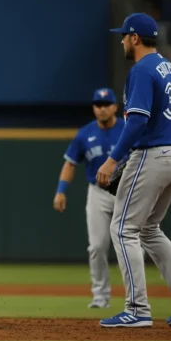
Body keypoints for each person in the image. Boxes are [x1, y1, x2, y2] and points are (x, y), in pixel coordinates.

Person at [96, 13, 171, 328]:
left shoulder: (142, 69)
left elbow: (137, 121)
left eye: (124, 35)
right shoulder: (168, 67)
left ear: (134, 38)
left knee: (122, 229)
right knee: (148, 229)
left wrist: (112, 159)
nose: (121, 40)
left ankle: (137, 310)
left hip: (152, 154)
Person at [53, 88, 124, 309]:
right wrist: (61, 190)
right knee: (96, 246)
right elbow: (70, 163)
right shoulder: (84, 134)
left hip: (126, 190)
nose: (101, 109)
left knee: (130, 245)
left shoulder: (128, 129)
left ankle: (135, 297)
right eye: (97, 105)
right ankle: (100, 295)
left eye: (106, 104)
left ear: (115, 107)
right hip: (98, 192)